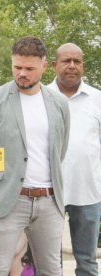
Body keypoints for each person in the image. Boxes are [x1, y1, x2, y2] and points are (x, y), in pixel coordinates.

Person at [0, 36, 70, 275]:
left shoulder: (59, 103)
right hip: (7, 201)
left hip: (49, 201)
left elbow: (60, 151)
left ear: (45, 66)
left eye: (29, 68)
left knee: (52, 270)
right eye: (17, 67)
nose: (22, 73)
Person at [48, 43, 101, 276]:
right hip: (47, 192)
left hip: (88, 191)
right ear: (53, 65)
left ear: (83, 66)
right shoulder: (40, 97)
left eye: (77, 61)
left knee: (87, 262)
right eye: (66, 61)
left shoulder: (97, 99)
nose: (72, 66)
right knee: (48, 262)